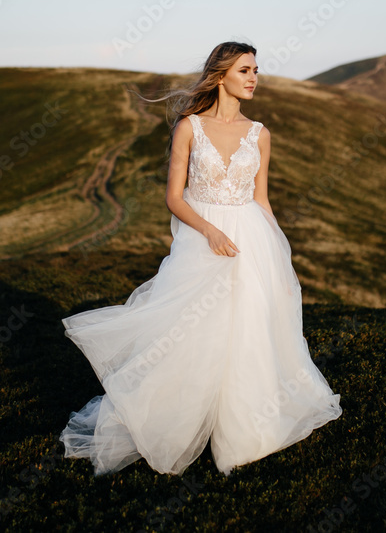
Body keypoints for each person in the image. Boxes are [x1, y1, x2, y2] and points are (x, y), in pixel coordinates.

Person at [59, 41, 342, 476]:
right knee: (189, 334)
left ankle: (246, 435)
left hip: (251, 240)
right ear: (221, 74)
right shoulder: (189, 127)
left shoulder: (260, 133)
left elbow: (262, 201)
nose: (254, 78)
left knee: (248, 335)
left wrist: (280, 259)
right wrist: (210, 231)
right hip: (202, 239)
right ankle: (170, 424)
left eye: (256, 71)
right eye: (245, 70)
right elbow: (174, 198)